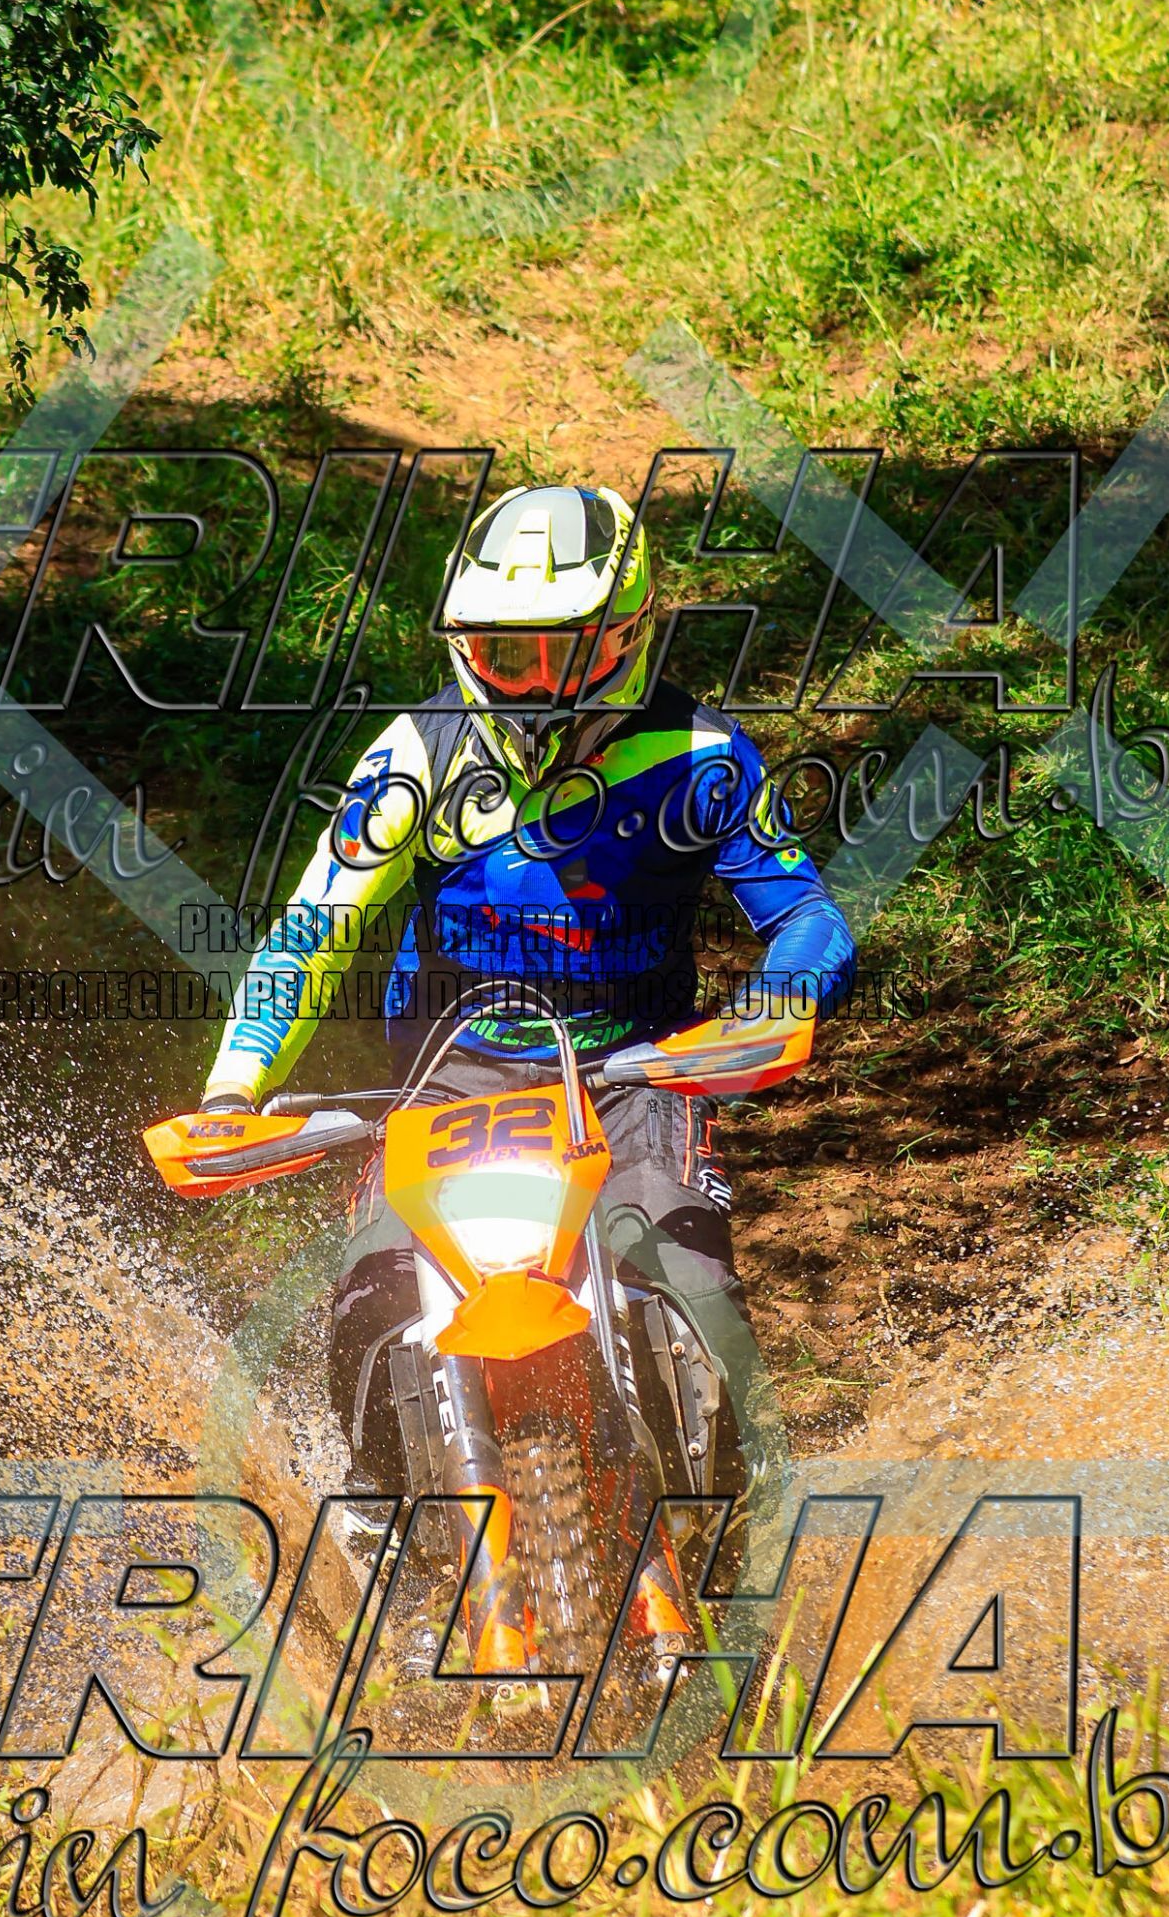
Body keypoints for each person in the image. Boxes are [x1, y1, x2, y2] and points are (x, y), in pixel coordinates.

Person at [199, 481, 856, 1485]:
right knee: (371, 1301)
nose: (535, 684)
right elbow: (313, 928)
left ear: (628, 634)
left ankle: (749, 1517)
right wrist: (233, 1088)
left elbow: (806, 914)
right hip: (446, 1083)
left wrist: (775, 1006)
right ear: (466, 645)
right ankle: (380, 1504)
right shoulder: (413, 756)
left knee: (696, 1290)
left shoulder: (701, 758)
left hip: (635, 1074)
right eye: (509, 655)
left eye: (563, 652)